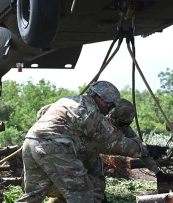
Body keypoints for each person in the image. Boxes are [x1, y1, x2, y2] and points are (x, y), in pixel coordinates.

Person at [16, 81, 149, 203]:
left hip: (30, 142)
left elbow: (42, 113)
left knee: (34, 195)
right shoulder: (91, 113)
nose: (109, 111)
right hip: (54, 147)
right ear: (102, 100)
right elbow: (116, 142)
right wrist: (146, 149)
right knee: (83, 192)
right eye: (111, 106)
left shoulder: (69, 100)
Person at [44, 98, 173, 203]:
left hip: (91, 156)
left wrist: (158, 172)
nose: (124, 128)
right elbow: (110, 146)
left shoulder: (124, 128)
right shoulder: (95, 123)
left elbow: (140, 148)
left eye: (127, 125)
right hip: (73, 155)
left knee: (97, 186)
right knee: (81, 187)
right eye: (121, 124)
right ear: (110, 117)